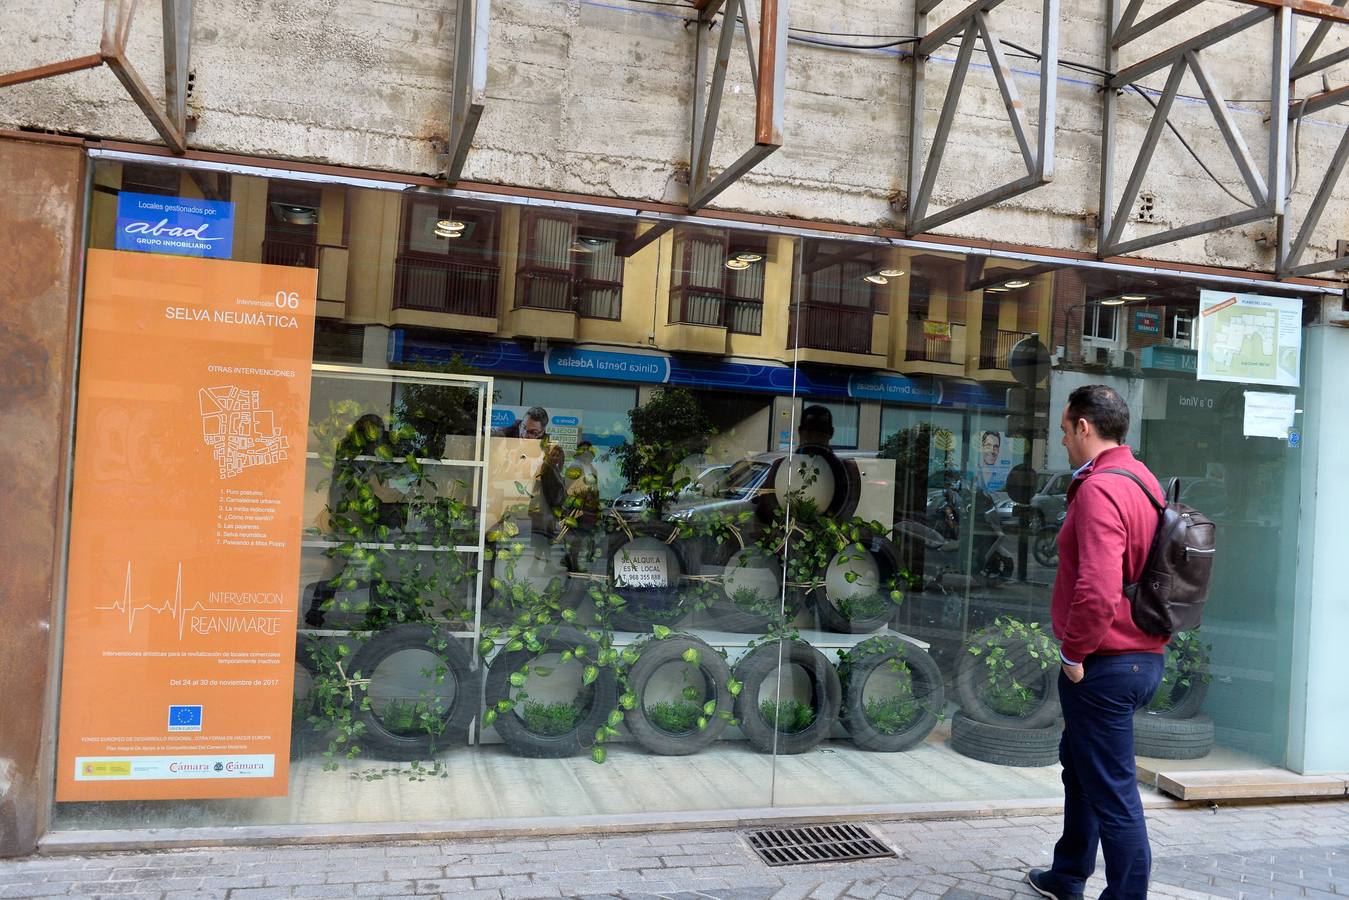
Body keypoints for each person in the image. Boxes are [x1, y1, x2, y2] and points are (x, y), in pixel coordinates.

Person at [1027, 385, 1167, 900]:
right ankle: (1067, 875)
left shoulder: (1101, 489)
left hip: (1106, 663)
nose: (1063, 441)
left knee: (1113, 791)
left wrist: (1074, 655)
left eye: (1065, 431)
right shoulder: (1142, 479)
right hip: (1141, 654)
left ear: (1085, 426)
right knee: (1081, 767)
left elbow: (1099, 587)